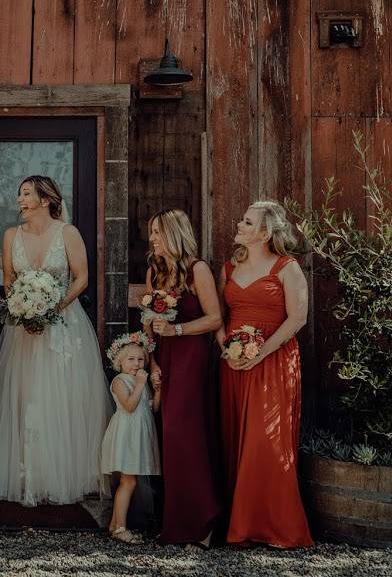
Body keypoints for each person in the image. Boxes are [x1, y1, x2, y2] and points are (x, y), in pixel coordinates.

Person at [0, 175, 112, 506]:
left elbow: (81, 278)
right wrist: (22, 310)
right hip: (23, 328)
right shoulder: (11, 235)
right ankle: (27, 473)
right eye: (19, 194)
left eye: (26, 194)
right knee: (26, 394)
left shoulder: (67, 233)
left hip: (64, 324)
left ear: (45, 200)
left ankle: (65, 473)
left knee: (63, 394)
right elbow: (9, 279)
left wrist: (53, 309)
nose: (19, 200)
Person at [218, 200, 313, 548]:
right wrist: (226, 350)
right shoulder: (228, 268)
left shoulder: (287, 268)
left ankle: (275, 527)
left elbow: (297, 319)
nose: (239, 225)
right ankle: (240, 523)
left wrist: (260, 353)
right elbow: (219, 317)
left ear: (264, 232)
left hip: (273, 362)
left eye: (247, 222)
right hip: (234, 364)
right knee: (237, 439)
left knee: (266, 442)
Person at [145, 209, 223, 549]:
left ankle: (205, 522)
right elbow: (147, 325)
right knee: (169, 436)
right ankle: (177, 523)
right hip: (165, 358)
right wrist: (151, 364)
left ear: (175, 234)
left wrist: (177, 329)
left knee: (185, 434)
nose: (153, 239)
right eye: (151, 233)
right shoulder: (155, 272)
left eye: (158, 233)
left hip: (192, 358)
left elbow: (214, 318)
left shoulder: (197, 270)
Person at [101, 332, 161, 545]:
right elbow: (129, 405)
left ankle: (114, 526)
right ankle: (119, 528)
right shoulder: (120, 380)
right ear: (120, 362)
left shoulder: (140, 381)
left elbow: (152, 407)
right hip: (126, 435)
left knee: (130, 481)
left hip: (139, 434)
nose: (136, 364)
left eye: (140, 359)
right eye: (131, 359)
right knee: (128, 481)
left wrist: (157, 389)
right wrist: (139, 383)